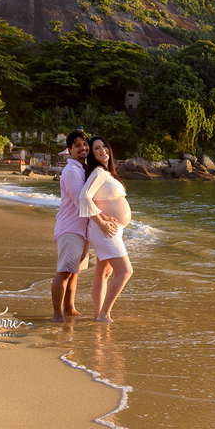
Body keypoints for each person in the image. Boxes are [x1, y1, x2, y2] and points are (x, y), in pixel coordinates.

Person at [79, 136, 133, 322]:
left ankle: (98, 315)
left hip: (111, 229)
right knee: (125, 272)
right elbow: (84, 197)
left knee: (104, 273)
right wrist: (101, 222)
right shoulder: (99, 172)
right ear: (93, 154)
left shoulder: (107, 173)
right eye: (97, 148)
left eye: (104, 147)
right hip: (104, 229)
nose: (103, 150)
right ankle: (104, 314)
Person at [51, 129, 92, 322]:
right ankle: (58, 314)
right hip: (70, 229)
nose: (82, 148)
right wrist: (102, 220)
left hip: (81, 229)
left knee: (75, 272)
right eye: (77, 145)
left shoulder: (84, 169)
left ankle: (69, 308)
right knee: (65, 272)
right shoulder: (72, 171)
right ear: (69, 149)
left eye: (84, 144)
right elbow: (80, 200)